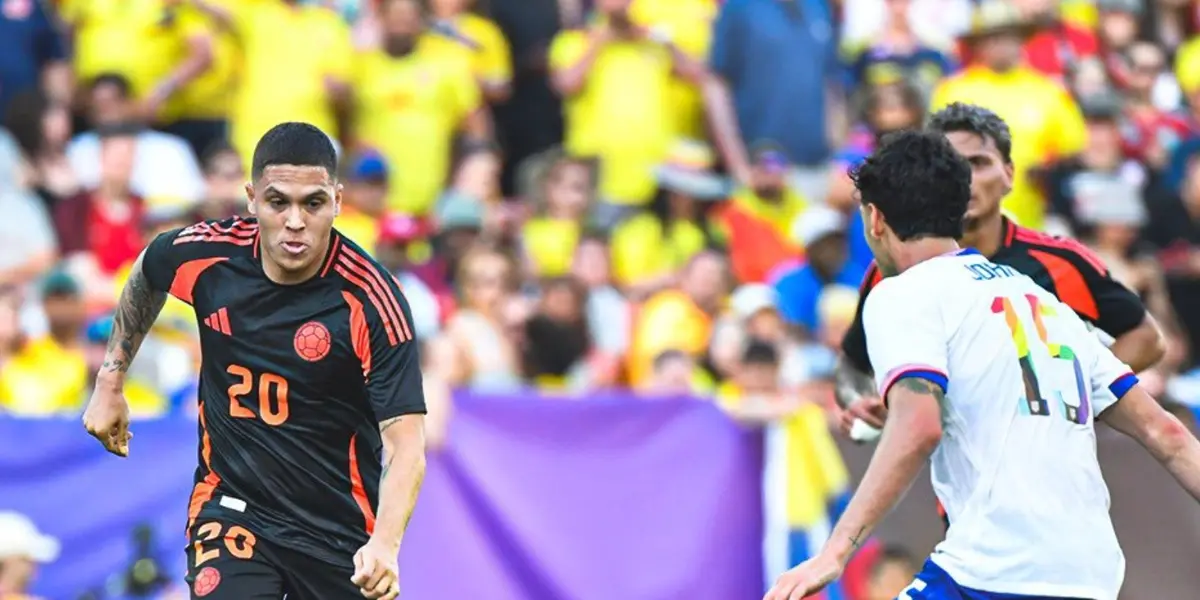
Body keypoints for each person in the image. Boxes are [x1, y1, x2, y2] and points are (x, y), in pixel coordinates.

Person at [765, 129, 1200, 600]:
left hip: (995, 573)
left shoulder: (902, 293)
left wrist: (835, 552)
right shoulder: (1043, 302)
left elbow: (919, 427)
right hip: (1091, 578)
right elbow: (1169, 435)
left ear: (875, 219)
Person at [80, 122, 427, 600]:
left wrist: (385, 545)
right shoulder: (209, 256)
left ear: (338, 202)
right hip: (231, 508)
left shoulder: (371, 300)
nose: (295, 221)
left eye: (313, 203)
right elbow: (148, 271)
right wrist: (111, 380)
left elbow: (407, 444)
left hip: (336, 529)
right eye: (278, 201)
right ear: (251, 198)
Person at [835, 103, 1164, 445]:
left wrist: (1066, 393)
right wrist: (858, 401)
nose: (965, 178)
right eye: (952, 166)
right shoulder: (895, 270)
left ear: (1008, 174)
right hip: (949, 475)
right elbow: (853, 363)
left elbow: (1146, 338)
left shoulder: (1059, 261)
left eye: (978, 163)